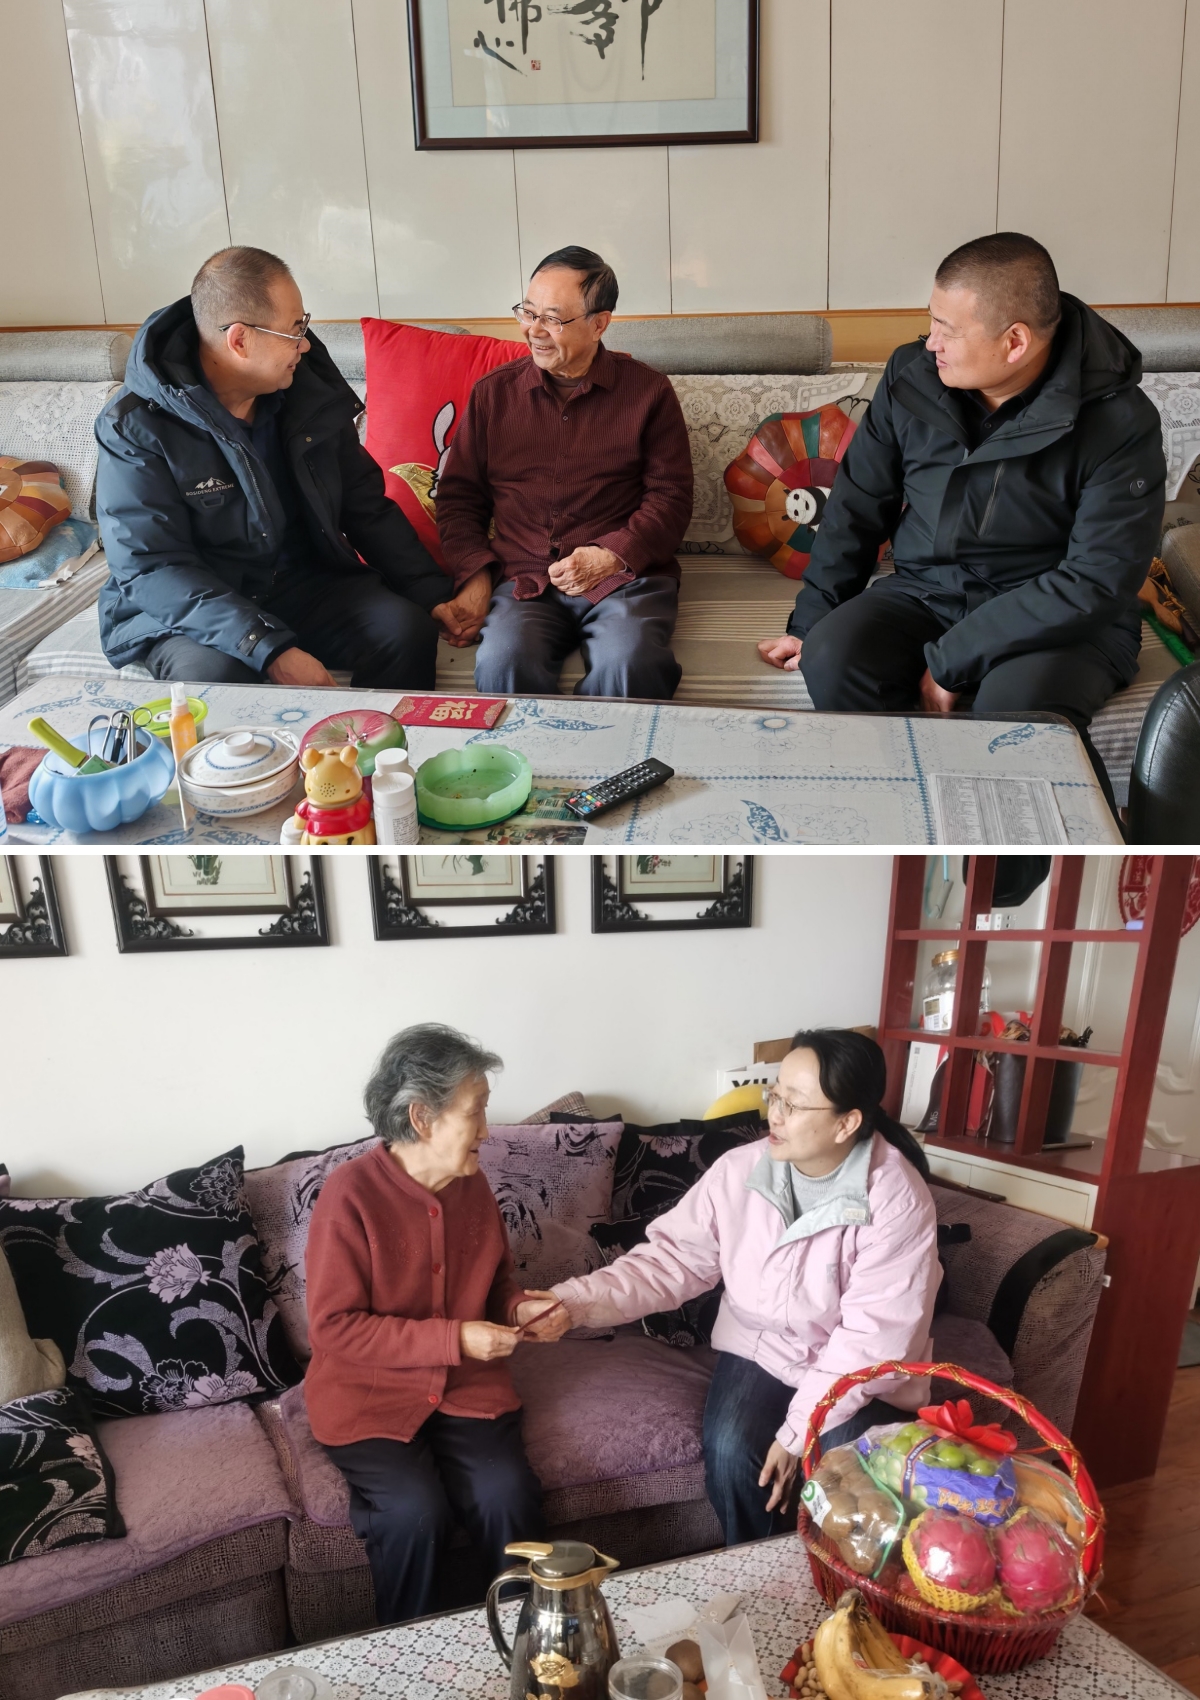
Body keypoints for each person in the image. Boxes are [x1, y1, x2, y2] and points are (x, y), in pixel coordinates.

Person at [758, 233, 1166, 811]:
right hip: (928, 591)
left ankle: (1026, 854)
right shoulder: (911, 375)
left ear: (1015, 341)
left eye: (947, 329)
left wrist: (952, 660)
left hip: (1060, 619)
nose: (931, 342)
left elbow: (1096, 580)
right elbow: (857, 504)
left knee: (1014, 707)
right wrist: (812, 619)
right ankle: (901, 817)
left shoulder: (1119, 421)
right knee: (833, 652)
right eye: (931, 321)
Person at [549, 1030, 940, 1546]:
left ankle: (836, 1584)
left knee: (845, 1464)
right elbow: (671, 1261)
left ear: (846, 1123)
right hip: (762, 1347)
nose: (774, 1115)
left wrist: (796, 1434)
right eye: (774, 1095)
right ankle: (755, 1571)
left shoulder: (896, 1199)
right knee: (734, 1451)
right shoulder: (738, 1171)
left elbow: (872, 1340)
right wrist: (570, 1304)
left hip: (857, 1367)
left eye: (793, 1104)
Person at [95, 246, 463, 689]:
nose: (304, 344)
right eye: (293, 331)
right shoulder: (134, 425)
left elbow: (363, 504)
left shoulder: (306, 390)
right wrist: (265, 646)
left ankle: (374, 735)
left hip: (301, 584)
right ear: (240, 340)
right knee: (219, 677)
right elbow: (153, 566)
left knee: (403, 630)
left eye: (303, 325)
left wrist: (428, 590)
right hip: (195, 607)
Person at [304, 1024, 568, 1624]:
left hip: (467, 1387)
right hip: (368, 1394)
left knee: (507, 1495)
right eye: (475, 1111)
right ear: (422, 1118)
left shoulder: (472, 1186)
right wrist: (455, 1337)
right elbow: (334, 1328)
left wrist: (519, 1309)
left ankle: (529, 1645)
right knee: (412, 1512)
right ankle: (412, 1659)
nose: (487, 1130)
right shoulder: (348, 1196)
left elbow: (495, 1283)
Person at [435, 245, 693, 698]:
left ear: (599, 323)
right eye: (528, 312)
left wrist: (610, 556)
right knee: (502, 662)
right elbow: (459, 499)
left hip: (623, 579)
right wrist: (476, 577)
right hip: (523, 580)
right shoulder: (494, 394)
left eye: (552, 318)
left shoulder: (649, 392)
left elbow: (670, 497)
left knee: (630, 663)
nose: (533, 330)